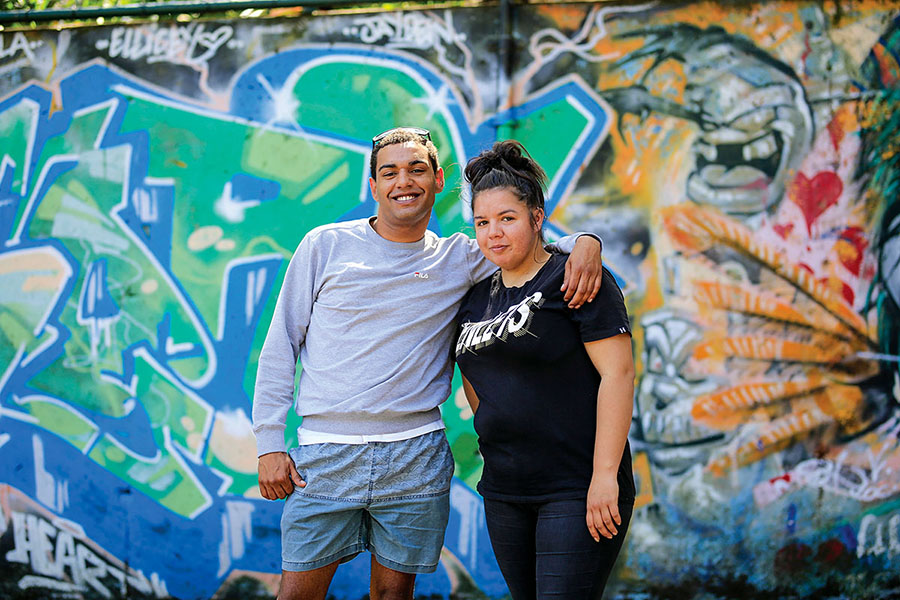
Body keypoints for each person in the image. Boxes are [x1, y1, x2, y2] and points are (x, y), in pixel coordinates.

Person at [252, 127, 605, 600]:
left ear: (438, 180)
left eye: (417, 169)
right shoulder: (324, 246)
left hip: (416, 456)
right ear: (373, 185)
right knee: (297, 595)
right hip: (325, 454)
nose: (404, 181)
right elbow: (281, 345)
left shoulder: (460, 257)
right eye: (390, 172)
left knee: (394, 595)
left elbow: (533, 248)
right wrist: (269, 443)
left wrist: (586, 241)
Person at [455, 140, 635, 600]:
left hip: (576, 485)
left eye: (507, 218)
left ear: (537, 218)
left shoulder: (574, 278)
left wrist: (604, 477)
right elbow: (476, 378)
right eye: (482, 222)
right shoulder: (474, 299)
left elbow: (618, 376)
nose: (494, 233)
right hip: (505, 491)